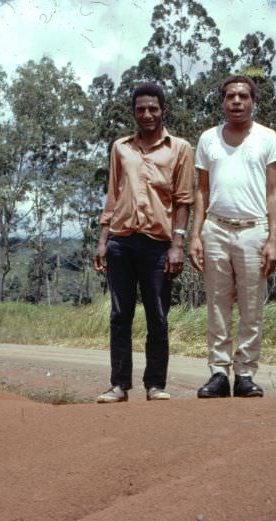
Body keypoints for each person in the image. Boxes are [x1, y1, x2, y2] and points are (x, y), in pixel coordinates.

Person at [93, 83, 195, 403]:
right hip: (121, 242)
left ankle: (155, 385)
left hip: (158, 245)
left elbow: (183, 201)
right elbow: (113, 195)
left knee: (158, 316)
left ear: (164, 109)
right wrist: (102, 240)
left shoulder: (179, 148)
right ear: (134, 112)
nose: (147, 114)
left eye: (153, 108)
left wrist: (178, 245)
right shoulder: (120, 148)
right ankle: (119, 385)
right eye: (141, 109)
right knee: (120, 315)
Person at [188, 75, 276, 398]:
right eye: (231, 96)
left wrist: (274, 239)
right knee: (216, 304)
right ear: (223, 102)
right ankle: (218, 372)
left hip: (254, 230)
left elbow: (274, 192)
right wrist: (195, 236)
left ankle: (245, 374)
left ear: (253, 101)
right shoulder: (207, 139)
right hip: (215, 228)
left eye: (243, 96)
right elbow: (201, 190)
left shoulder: (267, 138)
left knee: (251, 305)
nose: (237, 102)